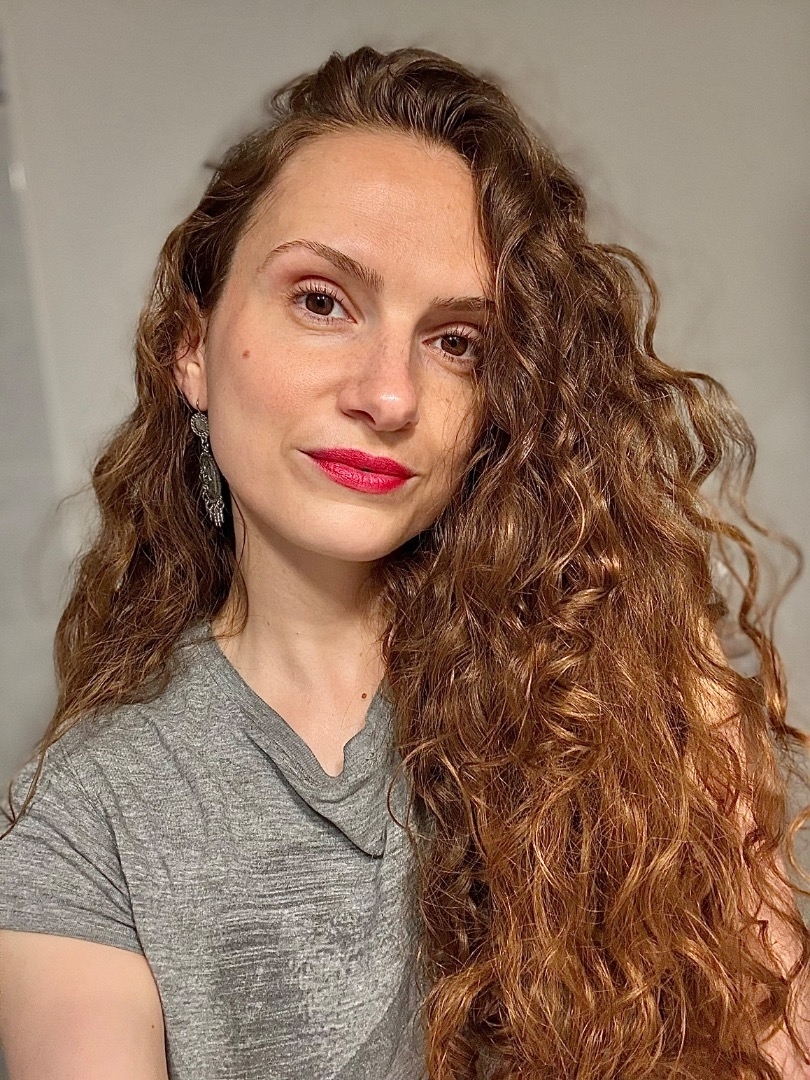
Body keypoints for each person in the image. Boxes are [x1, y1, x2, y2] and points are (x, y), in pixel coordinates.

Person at [0, 44, 808, 1080]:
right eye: (322, 301)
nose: (390, 395)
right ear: (191, 347)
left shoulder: (630, 694)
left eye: (457, 342)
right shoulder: (88, 812)